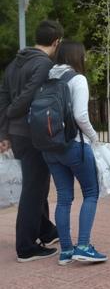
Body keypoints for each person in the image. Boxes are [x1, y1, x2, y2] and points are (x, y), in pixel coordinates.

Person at [0, 20, 61, 262]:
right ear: (56, 42)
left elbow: (3, 97)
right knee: (34, 189)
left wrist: (4, 133)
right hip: (33, 133)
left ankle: (46, 231)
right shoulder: (44, 64)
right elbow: (28, 95)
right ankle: (26, 247)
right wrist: (13, 112)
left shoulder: (14, 63)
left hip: (17, 134)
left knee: (38, 185)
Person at [44, 41, 107, 264]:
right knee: (90, 192)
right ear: (77, 57)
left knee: (64, 197)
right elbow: (80, 115)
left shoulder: (47, 76)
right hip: (74, 145)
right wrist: (94, 137)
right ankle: (83, 246)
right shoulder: (77, 79)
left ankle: (66, 251)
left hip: (49, 146)